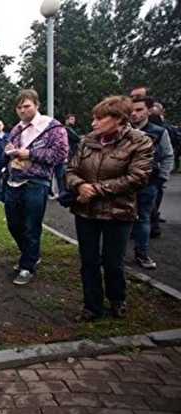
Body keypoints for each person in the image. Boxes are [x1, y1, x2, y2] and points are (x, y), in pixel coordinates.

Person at [66, 96, 153, 320]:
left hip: (118, 212)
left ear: (118, 119)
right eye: (93, 118)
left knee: (113, 261)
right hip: (86, 211)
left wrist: (96, 189)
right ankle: (92, 306)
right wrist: (80, 185)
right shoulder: (87, 141)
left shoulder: (139, 141)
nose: (93, 123)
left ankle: (117, 299)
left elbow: (138, 177)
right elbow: (70, 171)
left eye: (99, 119)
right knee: (89, 260)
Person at [3, 89, 68, 286]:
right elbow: (10, 149)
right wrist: (9, 151)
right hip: (14, 180)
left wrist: (30, 154)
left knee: (32, 225)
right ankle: (31, 254)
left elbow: (61, 154)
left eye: (27, 106)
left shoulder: (51, 127)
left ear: (37, 105)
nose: (22, 110)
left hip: (37, 182)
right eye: (19, 107)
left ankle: (27, 266)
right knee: (13, 224)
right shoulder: (16, 129)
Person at [129, 96, 174, 268]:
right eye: (131, 110)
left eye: (139, 110)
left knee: (144, 218)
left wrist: (161, 178)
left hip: (147, 184)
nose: (134, 113)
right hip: (122, 184)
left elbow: (167, 156)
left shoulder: (159, 132)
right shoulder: (121, 130)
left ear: (149, 110)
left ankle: (142, 254)